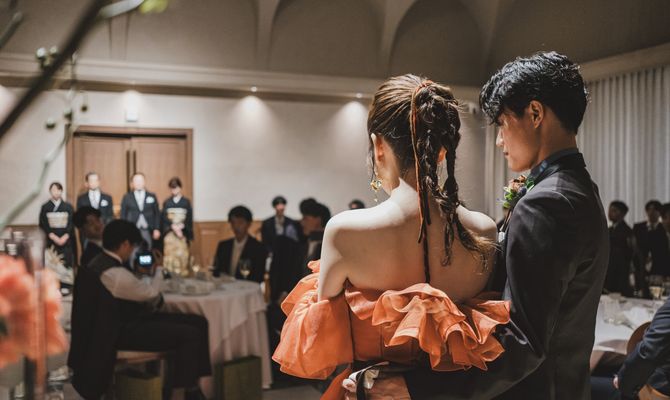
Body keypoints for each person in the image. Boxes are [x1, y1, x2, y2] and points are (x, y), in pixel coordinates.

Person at [349, 52, 609, 399]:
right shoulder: (579, 188)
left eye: (502, 123)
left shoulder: (547, 203)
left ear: (535, 114)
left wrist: (415, 387)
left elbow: (524, 340)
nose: (500, 141)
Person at [273, 74, 511, 399]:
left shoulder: (345, 232)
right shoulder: (483, 230)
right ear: (442, 150)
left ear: (378, 145)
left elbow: (321, 340)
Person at [68, 220, 210, 400]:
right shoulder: (116, 274)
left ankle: (194, 384)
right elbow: (151, 294)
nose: (132, 251)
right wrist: (159, 269)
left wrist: (139, 275)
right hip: (121, 332)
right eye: (132, 246)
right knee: (190, 334)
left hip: (113, 325)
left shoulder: (99, 261)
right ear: (125, 244)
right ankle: (185, 391)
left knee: (198, 322)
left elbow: (132, 288)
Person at [213, 206, 268, 283]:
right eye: (233, 223)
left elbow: (258, 277)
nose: (236, 226)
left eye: (240, 222)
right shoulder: (223, 246)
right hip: (224, 287)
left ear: (248, 224)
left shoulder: (258, 248)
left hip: (248, 288)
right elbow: (216, 272)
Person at [39, 182, 76, 269]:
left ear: (61, 191)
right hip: (51, 240)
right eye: (53, 190)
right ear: (50, 191)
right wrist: (53, 236)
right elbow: (43, 224)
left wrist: (65, 236)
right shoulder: (45, 207)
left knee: (66, 266)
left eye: (58, 190)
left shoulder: (68, 207)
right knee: (51, 266)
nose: (56, 192)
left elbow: (71, 223)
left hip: (65, 240)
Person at [161, 177, 193, 276]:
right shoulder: (167, 202)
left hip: (182, 232)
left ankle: (183, 274)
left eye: (176, 187)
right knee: (170, 255)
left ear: (180, 187)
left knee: (182, 254)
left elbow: (188, 218)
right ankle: (169, 275)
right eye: (172, 188)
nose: (174, 190)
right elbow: (164, 217)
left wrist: (182, 227)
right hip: (170, 231)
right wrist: (173, 226)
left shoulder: (186, 202)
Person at [633, 200, 665, 295]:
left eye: (655, 210)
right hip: (640, 266)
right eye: (649, 209)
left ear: (660, 213)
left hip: (658, 268)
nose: (651, 212)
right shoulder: (638, 227)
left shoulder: (664, 228)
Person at [120, 173, 161, 248]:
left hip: (148, 229)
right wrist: (124, 230)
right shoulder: (127, 197)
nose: (138, 183)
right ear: (132, 183)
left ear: (144, 182)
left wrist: (156, 229)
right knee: (133, 250)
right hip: (132, 229)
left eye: (140, 181)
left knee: (148, 248)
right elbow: (123, 214)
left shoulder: (152, 196)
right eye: (136, 181)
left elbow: (157, 214)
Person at [604, 201, 635, 296]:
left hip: (620, 273)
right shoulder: (609, 230)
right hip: (608, 270)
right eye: (609, 210)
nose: (610, 213)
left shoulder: (627, 231)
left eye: (614, 210)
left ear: (622, 213)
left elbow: (630, 253)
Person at [299, 199, 330, 275]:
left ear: (318, 220)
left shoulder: (329, 245)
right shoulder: (304, 243)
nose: (302, 222)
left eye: (306, 218)